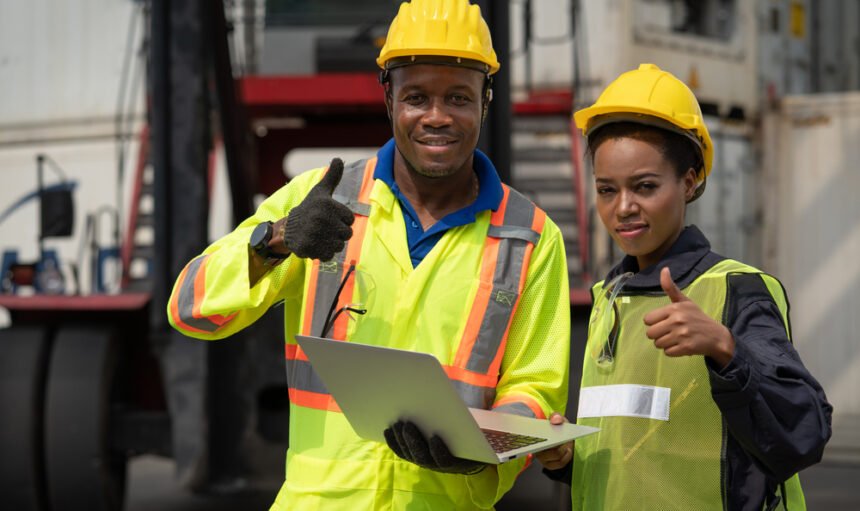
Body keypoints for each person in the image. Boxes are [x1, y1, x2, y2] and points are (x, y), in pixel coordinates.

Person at [167, 0, 571, 509]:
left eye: (459, 98)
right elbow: (190, 311)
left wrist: (486, 450)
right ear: (388, 96)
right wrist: (276, 240)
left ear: (485, 101)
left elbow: (536, 388)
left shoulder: (529, 236)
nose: (437, 117)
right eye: (417, 97)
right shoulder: (319, 201)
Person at [535, 64, 832, 510]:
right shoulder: (606, 300)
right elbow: (641, 454)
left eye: (644, 186)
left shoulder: (735, 290)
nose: (623, 207)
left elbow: (804, 434)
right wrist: (568, 461)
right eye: (607, 190)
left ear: (689, 182)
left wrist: (728, 350)